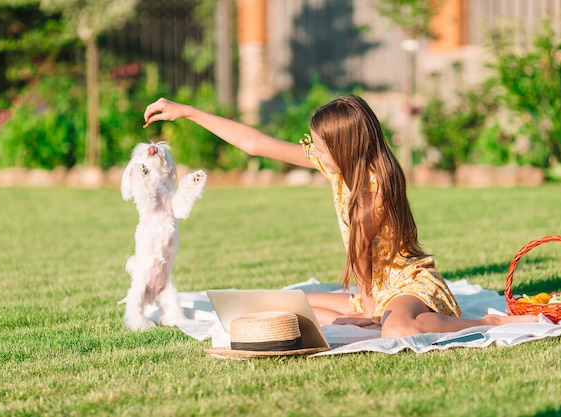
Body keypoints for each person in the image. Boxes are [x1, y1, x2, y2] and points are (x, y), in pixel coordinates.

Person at [143, 95, 538, 338]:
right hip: (371, 293)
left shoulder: (376, 187)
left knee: (395, 329)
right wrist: (188, 112)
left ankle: (487, 325)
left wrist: (368, 310)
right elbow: (256, 143)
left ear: (346, 147)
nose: (313, 152)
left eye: (320, 146)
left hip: (408, 287)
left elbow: (363, 256)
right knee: (270, 306)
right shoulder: (337, 167)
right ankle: (367, 319)